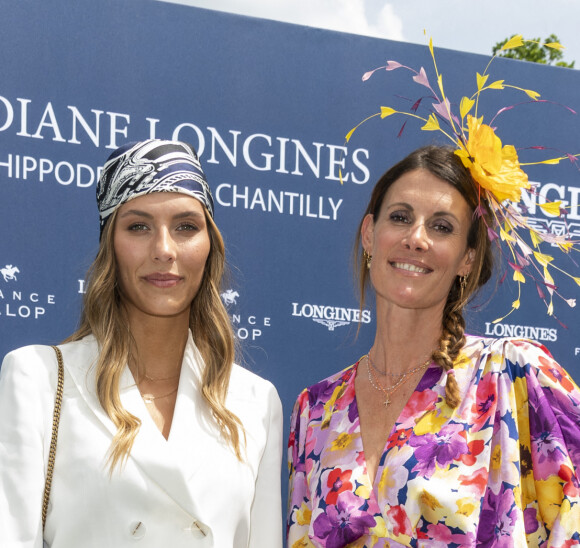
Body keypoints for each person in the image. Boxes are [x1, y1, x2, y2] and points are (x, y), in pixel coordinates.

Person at [287, 145, 580, 547]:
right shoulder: (315, 410)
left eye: (442, 227)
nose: (416, 238)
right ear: (370, 234)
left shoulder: (513, 378)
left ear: (467, 258)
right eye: (400, 217)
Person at [0, 139, 283, 548]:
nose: (164, 250)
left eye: (186, 226)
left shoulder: (256, 402)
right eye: (138, 226)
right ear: (110, 245)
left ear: (209, 246)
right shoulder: (38, 380)